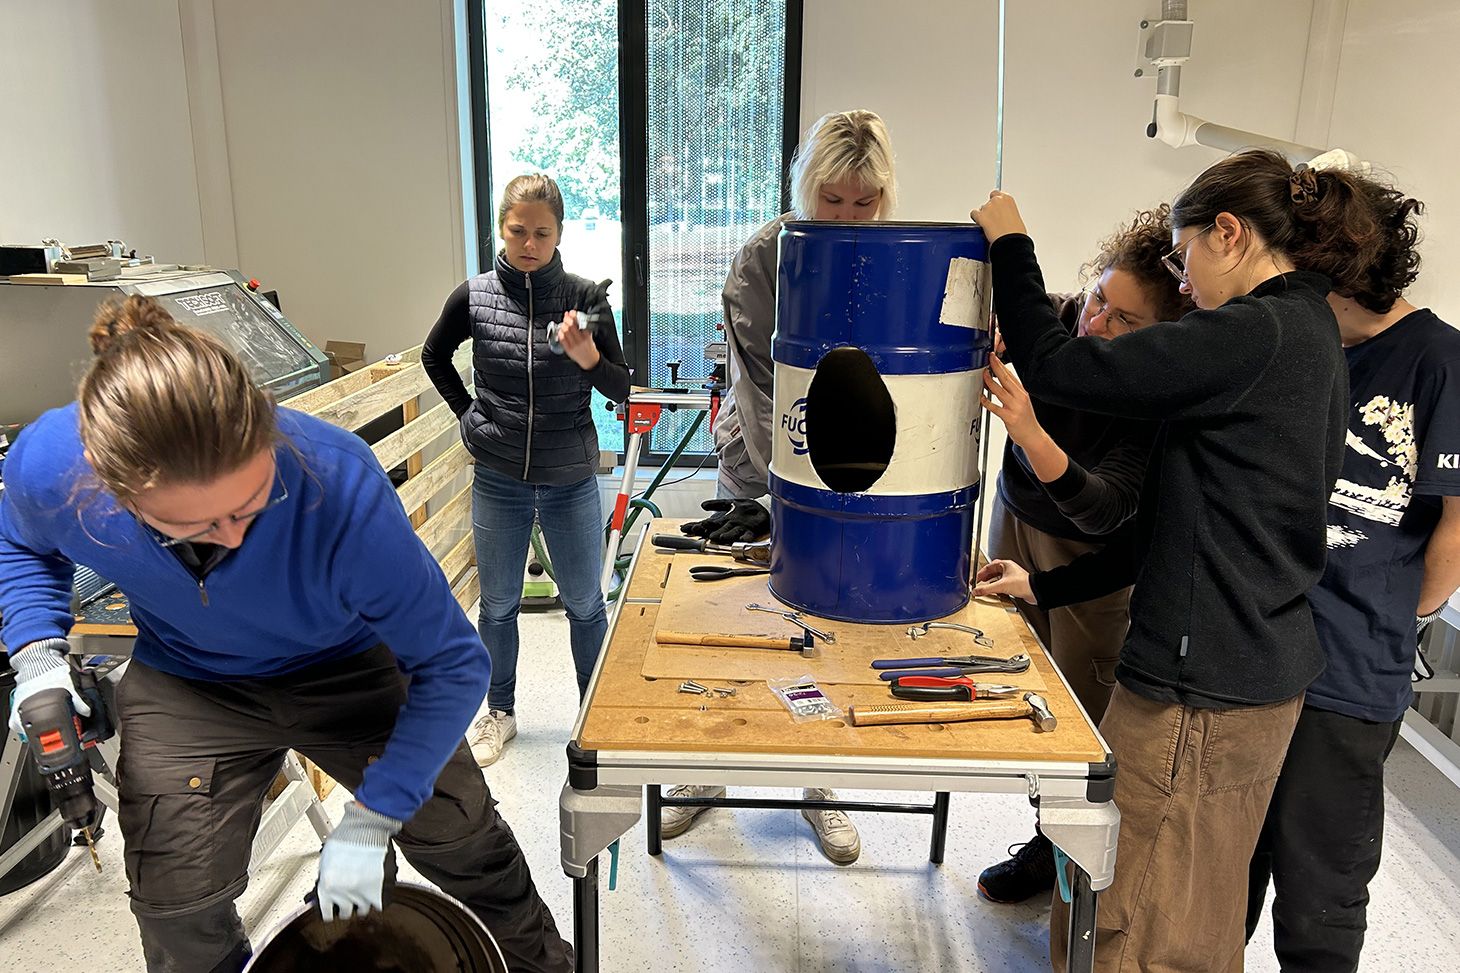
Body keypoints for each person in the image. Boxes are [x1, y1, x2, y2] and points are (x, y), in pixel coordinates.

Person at [0, 297, 573, 973]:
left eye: (251, 505)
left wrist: (375, 813)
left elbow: (452, 664)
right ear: (112, 486)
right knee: (174, 904)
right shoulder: (51, 465)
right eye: (200, 528)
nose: (236, 538)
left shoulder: (338, 481)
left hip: (348, 663)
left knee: (462, 839)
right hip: (191, 677)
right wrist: (37, 652)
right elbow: (22, 544)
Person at [968, 148, 1388, 972]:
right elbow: (1165, 530)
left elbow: (1059, 366)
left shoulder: (1253, 333)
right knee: (1191, 906)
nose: (1182, 278)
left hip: (1200, 696)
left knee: (1128, 913)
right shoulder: (1306, 333)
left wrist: (1011, 242)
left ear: (1228, 233)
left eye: (1183, 249)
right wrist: (1047, 583)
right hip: (1247, 678)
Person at [664, 109, 897, 864]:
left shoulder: (889, 252)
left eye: (865, 204)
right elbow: (761, 391)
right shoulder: (763, 260)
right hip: (760, 463)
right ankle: (708, 771)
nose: (848, 218)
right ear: (805, 189)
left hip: (851, 472)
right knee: (744, 614)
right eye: (833, 201)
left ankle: (817, 781)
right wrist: (782, 501)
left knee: (824, 627)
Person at [1242, 177, 1460, 972]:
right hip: (1258, 648)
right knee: (1226, 872)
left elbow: (1455, 531)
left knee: (1320, 891)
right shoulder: (1295, 343)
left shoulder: (1439, 359)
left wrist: (1394, 611)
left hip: (1347, 671)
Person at [976, 206, 1194, 904]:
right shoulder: (1062, 318)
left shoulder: (1156, 394)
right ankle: (1045, 835)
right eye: (1100, 296)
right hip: (1014, 520)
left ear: (1161, 338)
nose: (1096, 323)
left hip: (1090, 556)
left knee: (1078, 712)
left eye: (1123, 321)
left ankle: (1059, 856)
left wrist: (1032, 433)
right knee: (1010, 684)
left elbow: (1107, 506)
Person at [421, 173, 630, 767]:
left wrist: (588, 356)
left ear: (560, 231)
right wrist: (469, 417)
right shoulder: (475, 295)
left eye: (542, 232)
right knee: (499, 604)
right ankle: (501, 713)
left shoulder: (586, 299)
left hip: (569, 477)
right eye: (518, 231)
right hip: (499, 476)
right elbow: (433, 356)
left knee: (586, 602)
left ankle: (593, 712)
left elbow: (621, 384)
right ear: (501, 229)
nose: (529, 243)